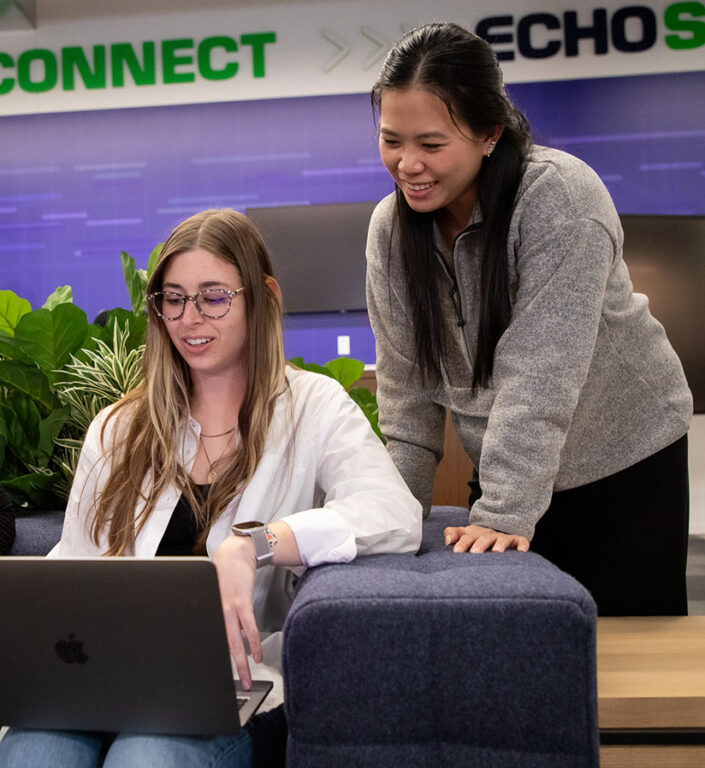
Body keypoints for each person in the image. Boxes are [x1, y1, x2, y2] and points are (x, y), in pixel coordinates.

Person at [0, 208, 421, 767]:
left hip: (230, 687)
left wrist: (254, 544)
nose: (189, 318)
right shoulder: (118, 426)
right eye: (172, 299)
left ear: (263, 296)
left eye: (213, 296)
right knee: (31, 753)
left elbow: (394, 513)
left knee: (144, 758)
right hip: (103, 682)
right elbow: (75, 564)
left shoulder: (313, 407)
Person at [366, 22, 693, 616]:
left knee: (622, 658)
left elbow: (539, 375)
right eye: (392, 140)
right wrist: (393, 522)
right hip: (508, 461)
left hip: (619, 461)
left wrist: (504, 513)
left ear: (490, 133)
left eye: (432, 144)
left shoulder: (560, 200)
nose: (407, 164)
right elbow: (407, 399)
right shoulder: (391, 231)